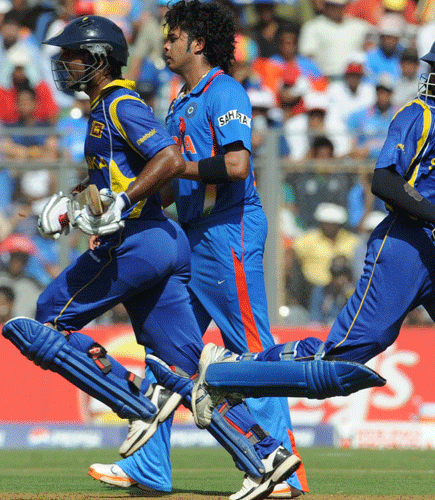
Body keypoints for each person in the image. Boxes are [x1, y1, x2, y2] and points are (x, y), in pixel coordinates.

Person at [189, 29, 435, 500]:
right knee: (340, 364)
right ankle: (227, 375)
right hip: (405, 246)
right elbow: (385, 182)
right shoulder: (416, 115)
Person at [1, 14, 299, 500]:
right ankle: (263, 458)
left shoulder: (128, 101)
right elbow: (145, 181)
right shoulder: (170, 100)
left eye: (73, 55)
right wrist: (80, 207)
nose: (64, 64)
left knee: (51, 316)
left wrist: (121, 203)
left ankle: (139, 402)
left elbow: (179, 162)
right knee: (178, 364)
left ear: (97, 58)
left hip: (210, 232)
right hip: (178, 233)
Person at [92, 3, 307, 498]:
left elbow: (234, 167)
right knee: (167, 348)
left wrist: (172, 167)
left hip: (227, 232)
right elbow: (172, 186)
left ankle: (286, 474)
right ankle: (148, 467)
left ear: (198, 44)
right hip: (191, 236)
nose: (164, 44)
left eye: (174, 37)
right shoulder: (179, 99)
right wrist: (123, 210)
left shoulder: (225, 91)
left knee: (252, 350)